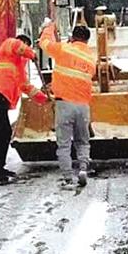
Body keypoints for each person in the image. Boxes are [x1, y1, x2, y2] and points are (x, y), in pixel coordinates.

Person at [0, 35, 48, 184]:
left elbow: (26, 87)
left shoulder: (17, 67)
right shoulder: (8, 46)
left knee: (3, 132)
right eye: (26, 46)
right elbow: (17, 45)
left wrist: (45, 99)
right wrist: (32, 54)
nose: (25, 52)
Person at [39, 21, 97, 187]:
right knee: (83, 141)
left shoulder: (63, 49)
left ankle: (67, 177)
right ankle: (83, 168)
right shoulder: (90, 60)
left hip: (64, 105)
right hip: (83, 106)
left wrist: (49, 27)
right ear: (87, 40)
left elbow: (44, 43)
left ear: (72, 37)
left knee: (64, 144)